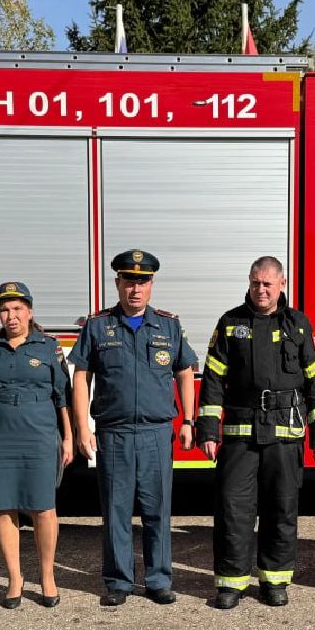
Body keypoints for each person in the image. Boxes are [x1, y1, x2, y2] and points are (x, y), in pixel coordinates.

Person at [197, 256, 315, 609]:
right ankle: (231, 582)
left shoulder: (298, 325)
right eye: (256, 282)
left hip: (285, 435)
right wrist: (208, 429)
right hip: (240, 435)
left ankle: (274, 581)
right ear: (249, 282)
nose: (261, 289)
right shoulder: (231, 323)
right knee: (233, 508)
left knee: (282, 508)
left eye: (268, 284)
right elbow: (212, 380)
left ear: (282, 284)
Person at [70, 250, 198, 606]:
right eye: (129, 281)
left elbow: (185, 372)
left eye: (142, 282)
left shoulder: (168, 325)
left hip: (157, 433)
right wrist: (83, 427)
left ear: (151, 285)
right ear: (118, 284)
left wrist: (188, 420)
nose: (135, 289)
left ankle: (158, 580)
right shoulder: (98, 326)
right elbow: (82, 377)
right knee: (116, 511)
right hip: (115, 433)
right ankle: (118, 581)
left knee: (158, 510)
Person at [0, 282, 74, 609]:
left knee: (43, 507)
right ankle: (14, 578)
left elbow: (61, 396)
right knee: (3, 504)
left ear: (30, 311)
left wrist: (67, 437)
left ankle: (47, 575)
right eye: (5, 310)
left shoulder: (48, 347)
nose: (11, 316)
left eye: (18, 309)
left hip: (38, 430)